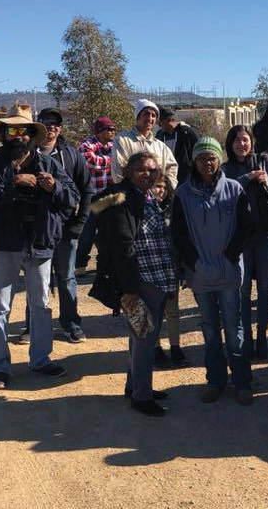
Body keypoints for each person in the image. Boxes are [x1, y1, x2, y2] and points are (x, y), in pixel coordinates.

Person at [0, 103, 79, 389]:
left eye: (23, 130)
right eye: (11, 130)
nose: (17, 135)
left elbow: (71, 197)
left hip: (40, 244)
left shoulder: (48, 163)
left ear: (32, 134)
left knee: (41, 305)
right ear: (4, 134)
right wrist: (13, 183)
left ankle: (40, 359)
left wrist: (53, 187)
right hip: (5, 244)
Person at [90, 151, 177, 416]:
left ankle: (135, 386)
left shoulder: (147, 195)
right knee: (145, 339)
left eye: (152, 170)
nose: (147, 174)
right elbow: (123, 246)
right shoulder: (120, 198)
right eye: (141, 169)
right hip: (140, 280)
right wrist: (130, 289)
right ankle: (141, 396)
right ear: (128, 171)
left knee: (140, 337)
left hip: (158, 277)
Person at [171, 137, 255, 405]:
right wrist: (194, 263)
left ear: (219, 159)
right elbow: (179, 234)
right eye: (201, 158)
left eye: (212, 157)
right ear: (194, 161)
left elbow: (245, 227)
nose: (207, 162)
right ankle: (215, 381)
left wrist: (230, 258)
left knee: (234, 327)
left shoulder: (234, 189)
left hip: (229, 272)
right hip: (200, 273)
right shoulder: (183, 194)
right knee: (209, 329)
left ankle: (242, 382)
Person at [16, 108, 92, 344]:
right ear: (39, 125)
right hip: (36, 229)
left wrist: (79, 223)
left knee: (66, 276)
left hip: (66, 228)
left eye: (56, 123)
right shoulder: (26, 153)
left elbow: (86, 189)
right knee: (37, 279)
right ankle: (33, 326)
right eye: (46, 122)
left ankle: (70, 324)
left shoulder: (70, 154)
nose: (51, 127)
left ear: (61, 127)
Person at [221, 125, 268, 358]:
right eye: (236, 140)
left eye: (245, 139)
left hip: (267, 234)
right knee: (243, 289)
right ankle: (246, 337)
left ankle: (262, 336)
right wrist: (246, 178)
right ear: (230, 143)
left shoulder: (265, 161)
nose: (241, 144)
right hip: (240, 238)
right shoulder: (225, 168)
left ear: (252, 142)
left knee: (266, 288)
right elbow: (221, 193)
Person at [149, 176, 189, 367]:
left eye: (165, 188)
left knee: (172, 311)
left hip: (171, 267)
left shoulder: (173, 210)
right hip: (151, 268)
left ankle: (175, 347)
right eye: (157, 187)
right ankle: (155, 348)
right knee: (154, 311)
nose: (161, 191)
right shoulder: (145, 208)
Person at [75, 115, 117, 271]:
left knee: (108, 232)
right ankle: (79, 265)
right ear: (100, 131)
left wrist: (108, 159)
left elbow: (122, 161)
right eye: (109, 129)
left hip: (110, 196)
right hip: (92, 196)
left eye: (113, 129)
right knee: (87, 233)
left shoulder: (115, 145)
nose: (112, 132)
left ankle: (104, 265)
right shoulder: (86, 144)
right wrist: (112, 160)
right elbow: (90, 161)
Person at [111, 98, 178, 188]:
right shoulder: (122, 140)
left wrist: (165, 190)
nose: (150, 118)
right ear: (137, 116)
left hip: (156, 199)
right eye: (146, 114)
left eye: (153, 115)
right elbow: (118, 170)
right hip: (130, 196)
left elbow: (171, 170)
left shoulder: (160, 146)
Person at [155, 107, 199, 186]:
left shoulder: (186, 132)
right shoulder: (160, 134)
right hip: (167, 174)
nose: (160, 126)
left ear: (169, 120)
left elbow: (198, 150)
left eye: (161, 123)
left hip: (185, 176)